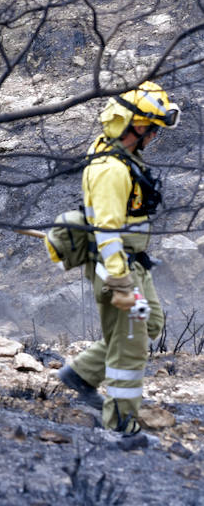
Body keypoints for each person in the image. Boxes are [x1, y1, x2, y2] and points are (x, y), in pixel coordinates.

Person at [56, 81, 178, 446]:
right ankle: (120, 428)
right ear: (133, 125)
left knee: (151, 322)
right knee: (130, 349)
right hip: (117, 269)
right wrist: (121, 284)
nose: (154, 136)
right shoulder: (111, 169)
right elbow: (107, 231)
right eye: (151, 128)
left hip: (134, 263)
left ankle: (81, 374)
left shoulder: (122, 156)